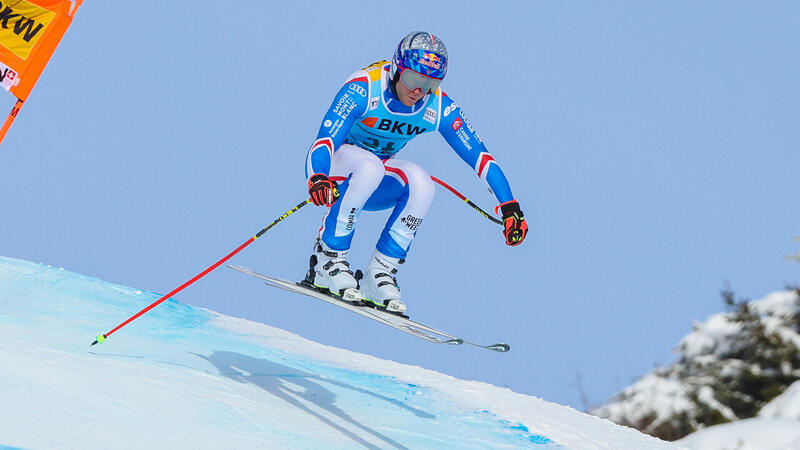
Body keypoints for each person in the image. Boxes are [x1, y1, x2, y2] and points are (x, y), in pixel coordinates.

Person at [304, 31, 527, 314]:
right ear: (397, 69)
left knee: (422, 182)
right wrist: (318, 177)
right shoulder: (365, 89)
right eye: (413, 79)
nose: (418, 91)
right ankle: (328, 259)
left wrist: (510, 207)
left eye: (429, 83)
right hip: (337, 173)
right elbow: (324, 141)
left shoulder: (438, 107)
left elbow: (480, 157)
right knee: (370, 166)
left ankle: (380, 273)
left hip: (372, 182)